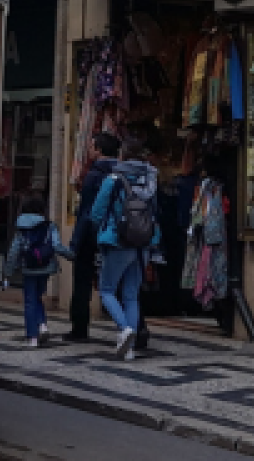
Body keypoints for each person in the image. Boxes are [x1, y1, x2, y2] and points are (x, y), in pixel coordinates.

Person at [90, 135, 159, 360]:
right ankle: (129, 348)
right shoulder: (151, 178)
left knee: (107, 289)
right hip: (144, 243)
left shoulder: (113, 179)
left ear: (122, 155)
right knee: (131, 294)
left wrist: (100, 227)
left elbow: (97, 212)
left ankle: (124, 329)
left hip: (117, 240)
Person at [64, 132, 121, 342]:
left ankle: (79, 327)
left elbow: (86, 211)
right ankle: (132, 327)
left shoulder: (95, 174)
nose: (89, 149)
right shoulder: (124, 172)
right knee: (121, 282)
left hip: (92, 234)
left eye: (91, 146)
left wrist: (76, 241)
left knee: (82, 281)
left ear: (99, 150)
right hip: (117, 233)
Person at [3, 194, 73, 347]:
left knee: (30, 301)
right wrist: (72, 255)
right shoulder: (49, 225)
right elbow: (56, 246)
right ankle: (42, 325)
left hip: (28, 269)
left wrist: (8, 273)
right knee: (38, 297)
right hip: (46, 268)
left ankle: (32, 337)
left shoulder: (21, 228)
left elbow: (14, 251)